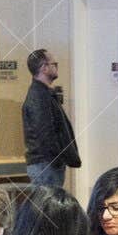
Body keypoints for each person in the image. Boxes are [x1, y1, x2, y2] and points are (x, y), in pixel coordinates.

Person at [21, 49, 79, 189]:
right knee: (47, 209)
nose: (56, 67)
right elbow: (45, 134)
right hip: (46, 166)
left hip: (47, 165)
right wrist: (58, 160)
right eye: (54, 64)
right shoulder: (39, 97)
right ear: (44, 68)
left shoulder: (44, 94)